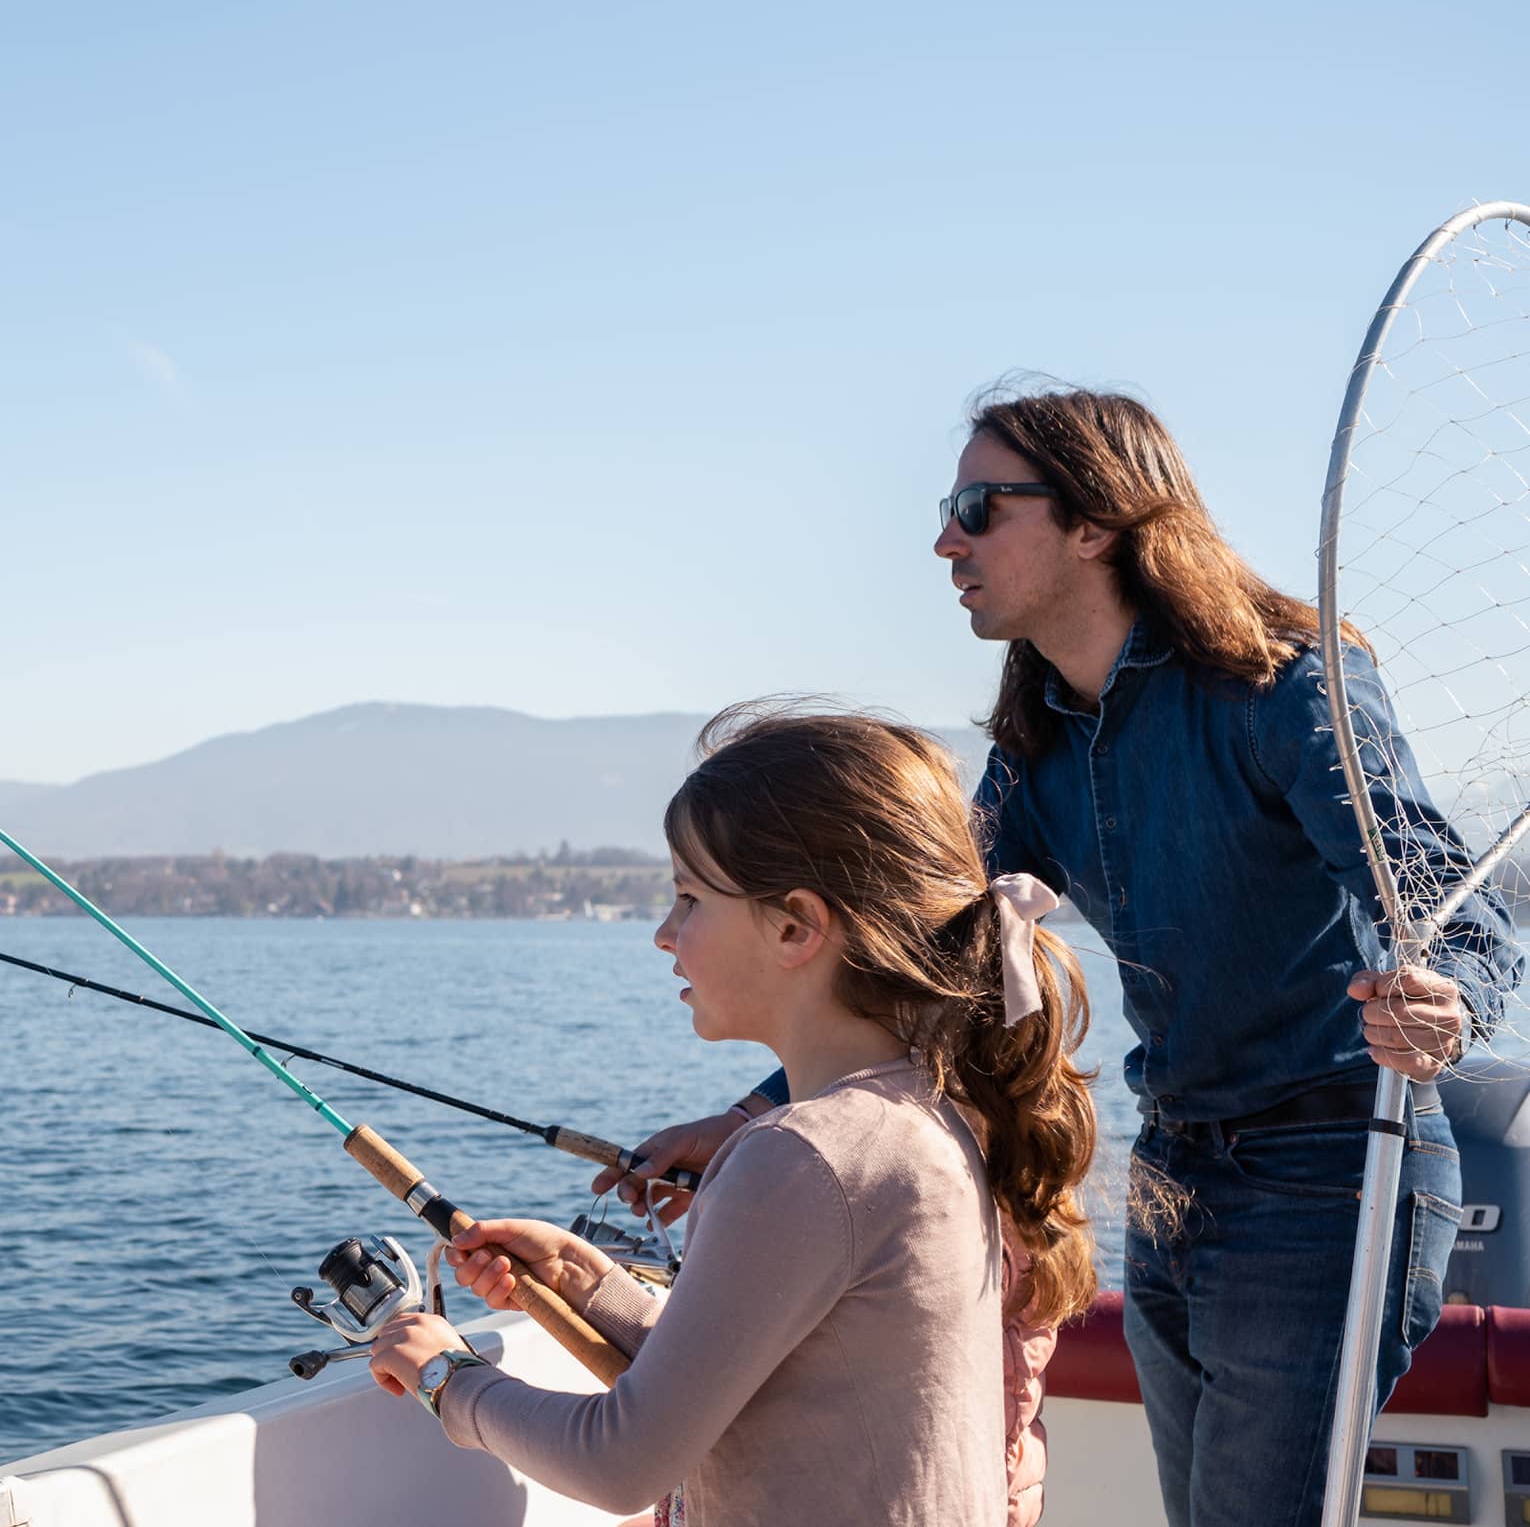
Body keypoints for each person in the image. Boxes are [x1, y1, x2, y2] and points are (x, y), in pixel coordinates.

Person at [599, 385, 1522, 1527]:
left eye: (981, 508)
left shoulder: (1285, 688)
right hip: (1178, 1177)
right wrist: (751, 1117)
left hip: (1333, 1178)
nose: (946, 538)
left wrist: (1450, 1005)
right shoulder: (1038, 738)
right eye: (951, 508)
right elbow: (939, 961)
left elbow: (1460, 914)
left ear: (1097, 521)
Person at [369, 705, 1098, 1527]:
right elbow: (789, 1373)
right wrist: (593, 1287)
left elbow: (621, 1463)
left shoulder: (801, 1157)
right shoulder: (929, 1116)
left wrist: (449, 1379)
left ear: (795, 926)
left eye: (688, 898)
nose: (663, 933)